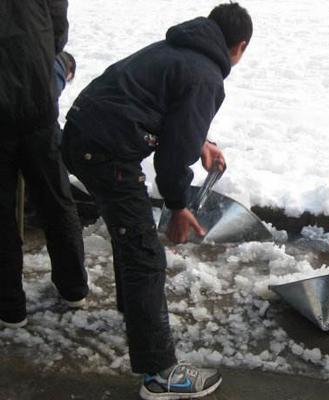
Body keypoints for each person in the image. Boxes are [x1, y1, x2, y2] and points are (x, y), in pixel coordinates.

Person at [61, 3, 252, 399]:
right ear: (241, 46)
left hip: (85, 135)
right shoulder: (206, 75)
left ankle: (135, 313)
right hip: (106, 150)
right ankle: (159, 374)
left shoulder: (176, 51)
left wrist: (200, 140)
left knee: (129, 232)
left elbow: (163, 111)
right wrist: (178, 205)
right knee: (145, 253)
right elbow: (171, 157)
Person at [0, 0, 89, 329]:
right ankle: (73, 288)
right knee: (56, 199)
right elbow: (57, 32)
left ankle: (10, 307)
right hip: (37, 101)